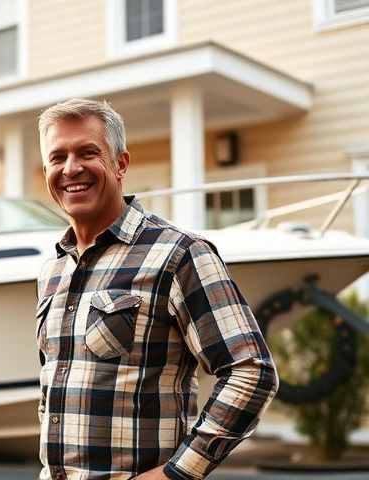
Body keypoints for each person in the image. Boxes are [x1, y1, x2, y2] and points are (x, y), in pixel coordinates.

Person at [35, 98, 278, 480]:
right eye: (57, 157)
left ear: (120, 164)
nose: (71, 168)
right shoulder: (53, 269)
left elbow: (252, 371)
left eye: (88, 152)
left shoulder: (179, 254)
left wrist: (177, 474)